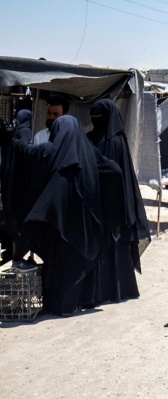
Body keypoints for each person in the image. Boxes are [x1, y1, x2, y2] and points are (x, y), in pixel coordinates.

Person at [4, 112, 122, 315]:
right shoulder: (89, 156)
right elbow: (114, 171)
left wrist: (13, 142)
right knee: (77, 265)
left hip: (60, 228)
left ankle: (61, 306)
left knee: (59, 267)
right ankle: (75, 303)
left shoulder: (55, 156)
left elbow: (29, 156)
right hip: (84, 230)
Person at [86, 99, 151, 303]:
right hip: (98, 203)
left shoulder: (115, 141)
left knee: (115, 248)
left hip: (114, 206)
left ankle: (118, 291)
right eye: (93, 116)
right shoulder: (92, 138)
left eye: (100, 116)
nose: (96, 120)